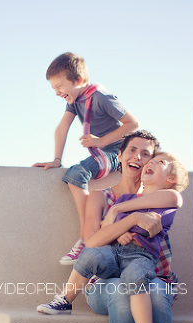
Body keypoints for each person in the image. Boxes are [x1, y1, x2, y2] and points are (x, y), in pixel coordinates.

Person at [46, 130, 193, 323]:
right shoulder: (102, 196)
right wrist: (129, 220)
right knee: (119, 289)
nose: (138, 158)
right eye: (132, 151)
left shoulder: (157, 198)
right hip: (104, 283)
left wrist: (126, 217)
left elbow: (152, 229)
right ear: (121, 156)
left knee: (146, 287)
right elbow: (92, 242)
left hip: (153, 278)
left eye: (146, 154)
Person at [33, 52, 139, 265]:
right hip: (104, 150)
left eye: (59, 87)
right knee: (74, 173)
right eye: (53, 88)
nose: (56, 93)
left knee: (77, 173)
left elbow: (133, 124)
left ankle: (86, 235)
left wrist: (101, 141)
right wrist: (56, 159)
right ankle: (89, 230)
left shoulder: (101, 97)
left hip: (119, 152)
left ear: (79, 81)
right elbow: (62, 128)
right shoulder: (75, 99)